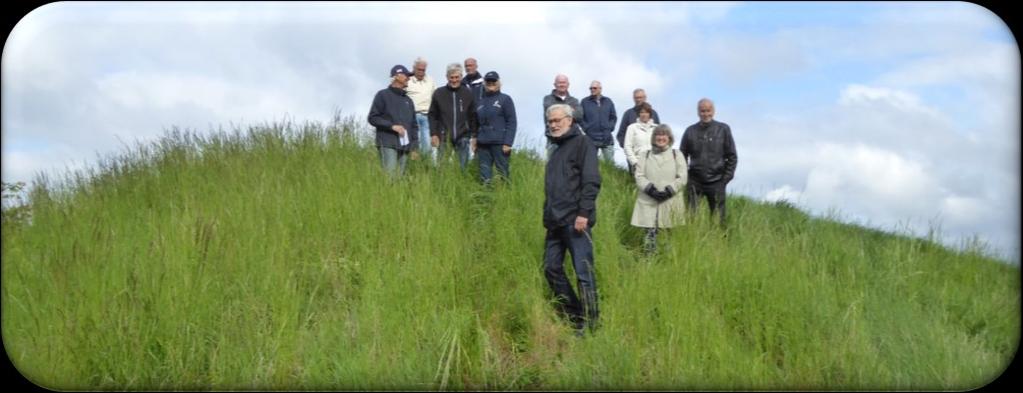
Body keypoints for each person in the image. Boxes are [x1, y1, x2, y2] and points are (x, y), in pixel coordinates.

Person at [542, 103, 601, 336]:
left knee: (583, 273)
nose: (553, 125)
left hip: (576, 221)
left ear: (570, 120)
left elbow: (591, 181)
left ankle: (592, 323)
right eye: (550, 122)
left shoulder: (583, 144)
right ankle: (576, 316)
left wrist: (584, 213)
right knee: (551, 268)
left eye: (557, 120)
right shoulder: (556, 152)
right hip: (555, 222)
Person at [679, 98, 737, 226]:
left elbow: (732, 156)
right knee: (691, 217)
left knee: (718, 219)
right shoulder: (690, 131)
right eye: (702, 111)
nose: (705, 114)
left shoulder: (723, 129)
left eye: (708, 110)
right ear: (698, 112)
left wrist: (725, 179)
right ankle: (691, 240)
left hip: (717, 181)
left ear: (713, 111)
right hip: (694, 181)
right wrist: (686, 177)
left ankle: (720, 243)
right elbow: (681, 155)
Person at [631, 124, 687, 254]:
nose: (661, 137)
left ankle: (667, 264)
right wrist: (651, 190)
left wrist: (669, 191)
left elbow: (683, 177)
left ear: (669, 138)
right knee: (649, 238)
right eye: (658, 134)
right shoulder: (645, 155)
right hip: (649, 201)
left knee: (668, 239)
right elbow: (639, 175)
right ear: (653, 137)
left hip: (670, 202)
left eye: (664, 135)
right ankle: (649, 264)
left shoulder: (676, 154)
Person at [367, 64, 418, 178]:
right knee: (390, 178)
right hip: (387, 143)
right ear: (397, 76)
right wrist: (392, 126)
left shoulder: (409, 101)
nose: (408, 78)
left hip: (405, 147)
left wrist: (414, 148)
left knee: (400, 180)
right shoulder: (382, 95)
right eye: (406, 75)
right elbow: (373, 118)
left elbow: (414, 126)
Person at [429, 63, 479, 171]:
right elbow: (432, 115)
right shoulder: (439, 93)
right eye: (451, 77)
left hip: (463, 136)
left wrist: (474, 135)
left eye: (457, 77)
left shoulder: (468, 93)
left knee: (462, 168)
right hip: (444, 136)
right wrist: (433, 134)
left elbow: (473, 116)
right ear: (447, 77)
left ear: (461, 77)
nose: (454, 80)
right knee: (441, 168)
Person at [475, 71, 517, 184]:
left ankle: (506, 197)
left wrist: (508, 142)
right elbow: (476, 123)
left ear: (498, 82)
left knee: (503, 173)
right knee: (485, 175)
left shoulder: (505, 99)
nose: (491, 83)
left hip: (500, 143)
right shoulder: (480, 102)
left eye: (493, 81)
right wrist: (474, 139)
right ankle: (486, 198)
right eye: (488, 81)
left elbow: (512, 122)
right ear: (484, 83)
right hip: (483, 143)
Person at [543, 74, 584, 158]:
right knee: (552, 167)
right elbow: (552, 112)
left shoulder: (574, 100)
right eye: (559, 83)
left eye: (564, 83)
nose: (562, 85)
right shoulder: (548, 99)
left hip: (571, 138)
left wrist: (561, 110)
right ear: (555, 85)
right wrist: (570, 110)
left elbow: (579, 116)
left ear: (568, 84)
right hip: (553, 138)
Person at [406, 57, 436, 163]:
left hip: (427, 116)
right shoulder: (407, 80)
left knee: (427, 145)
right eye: (419, 69)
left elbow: (434, 97)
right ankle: (415, 166)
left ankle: (428, 165)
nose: (421, 72)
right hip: (412, 116)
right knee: (414, 144)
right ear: (414, 69)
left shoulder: (430, 80)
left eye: (423, 70)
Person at [580, 80, 617, 163]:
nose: (592, 90)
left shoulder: (608, 101)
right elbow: (580, 118)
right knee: (589, 164)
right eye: (591, 88)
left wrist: (610, 127)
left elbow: (613, 117)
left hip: (606, 138)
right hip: (591, 138)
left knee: (610, 165)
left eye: (594, 88)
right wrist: (586, 128)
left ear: (600, 89)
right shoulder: (584, 102)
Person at [623, 102, 658, 174]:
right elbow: (627, 146)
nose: (644, 115)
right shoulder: (632, 128)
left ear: (650, 114)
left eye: (647, 112)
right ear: (639, 114)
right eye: (642, 112)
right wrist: (634, 162)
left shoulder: (657, 128)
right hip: (639, 164)